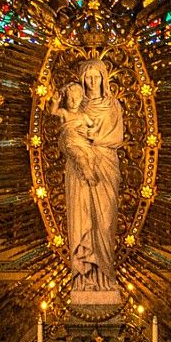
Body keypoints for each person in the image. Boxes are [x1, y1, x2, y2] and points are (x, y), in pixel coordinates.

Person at [58, 58, 126, 296]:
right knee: (82, 219)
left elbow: (118, 137)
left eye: (97, 76)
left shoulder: (113, 105)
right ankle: (83, 277)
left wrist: (96, 141)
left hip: (106, 166)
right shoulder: (75, 104)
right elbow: (64, 135)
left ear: (104, 78)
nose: (92, 81)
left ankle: (106, 275)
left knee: (105, 223)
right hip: (79, 171)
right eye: (88, 76)